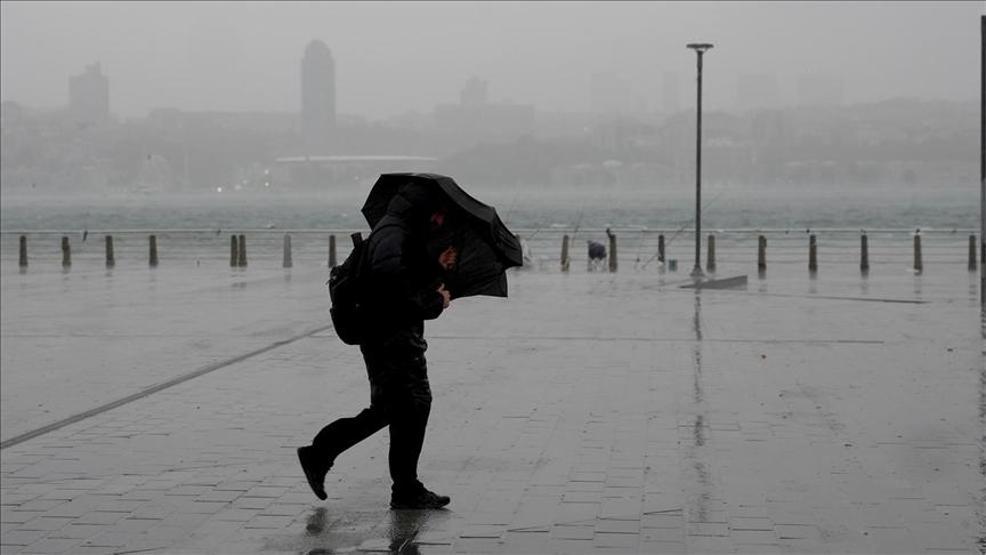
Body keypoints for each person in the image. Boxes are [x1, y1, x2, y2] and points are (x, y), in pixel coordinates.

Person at [297, 183, 458, 510]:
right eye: (438, 213)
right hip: (389, 338)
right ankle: (399, 486)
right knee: (411, 404)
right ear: (423, 209)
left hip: (391, 335)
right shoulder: (394, 233)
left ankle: (326, 456)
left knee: (396, 408)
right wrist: (433, 300)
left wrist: (438, 267)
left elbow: (400, 277)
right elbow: (390, 284)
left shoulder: (399, 232)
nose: (441, 219)